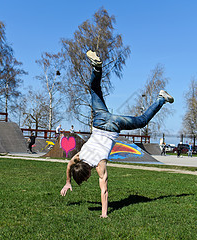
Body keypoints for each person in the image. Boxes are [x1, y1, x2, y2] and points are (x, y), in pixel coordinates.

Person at [60, 50, 174, 218]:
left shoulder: (99, 166)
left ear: (88, 173)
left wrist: (104, 214)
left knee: (142, 121)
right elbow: (69, 166)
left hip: (114, 125)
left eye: (84, 179)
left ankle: (161, 99)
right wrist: (68, 181)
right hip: (100, 120)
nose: (86, 179)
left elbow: (104, 191)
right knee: (94, 89)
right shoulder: (78, 157)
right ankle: (97, 69)